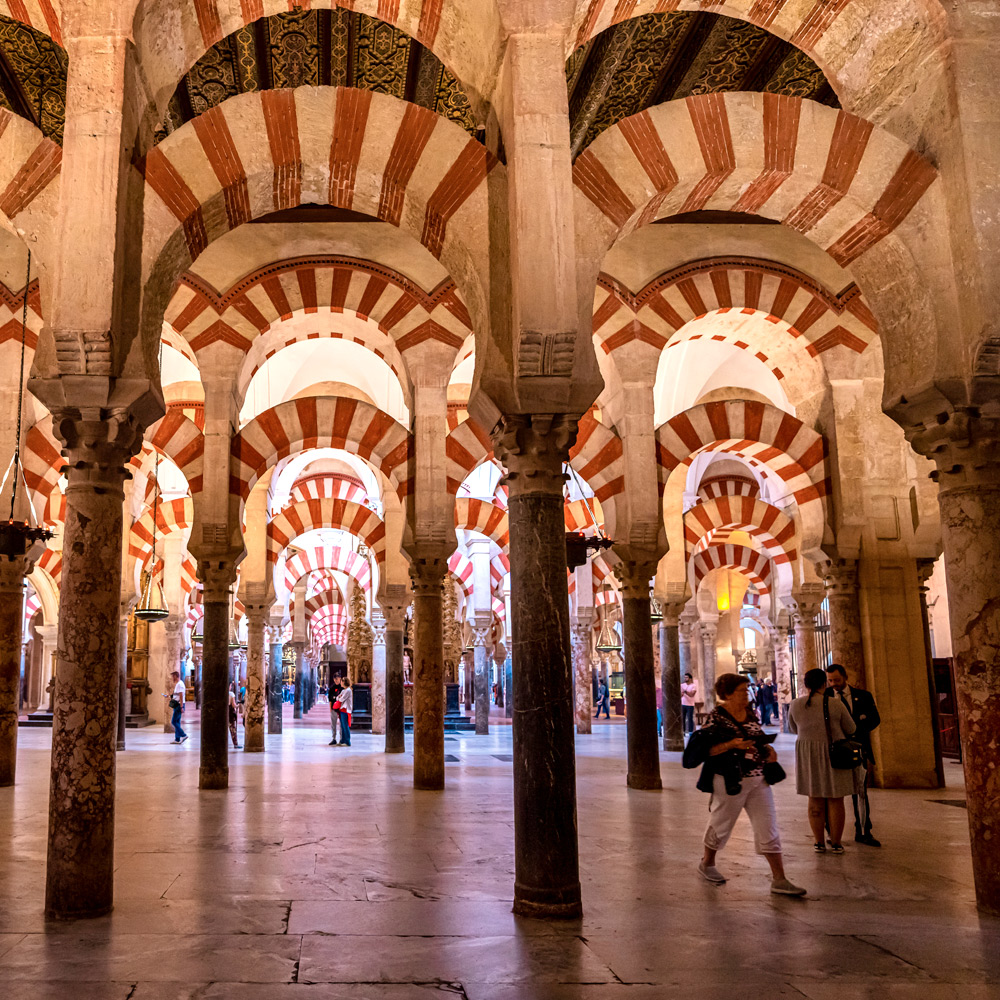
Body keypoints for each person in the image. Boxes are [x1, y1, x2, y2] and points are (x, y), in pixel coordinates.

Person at [683, 672, 805, 896]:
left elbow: (755, 738)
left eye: (746, 690)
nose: (746, 695)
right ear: (727, 694)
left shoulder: (749, 713)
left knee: (768, 825)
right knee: (722, 822)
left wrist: (768, 750)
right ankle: (707, 863)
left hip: (758, 778)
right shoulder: (717, 717)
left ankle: (779, 878)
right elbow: (706, 751)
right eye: (741, 691)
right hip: (730, 778)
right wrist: (731, 745)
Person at [788, 668, 857, 854]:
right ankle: (836, 843)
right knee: (835, 799)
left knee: (814, 798)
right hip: (833, 753)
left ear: (805, 684)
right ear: (823, 684)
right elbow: (851, 728)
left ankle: (818, 842)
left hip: (807, 755)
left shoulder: (795, 705)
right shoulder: (835, 704)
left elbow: (793, 729)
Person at [826, 663, 882, 846]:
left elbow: (874, 719)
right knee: (833, 793)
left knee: (860, 792)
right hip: (835, 752)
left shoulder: (863, 696)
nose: (834, 684)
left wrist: (856, 731)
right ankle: (832, 832)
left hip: (858, 749)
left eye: (837, 680)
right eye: (830, 680)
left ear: (845, 678)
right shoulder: (825, 697)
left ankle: (864, 830)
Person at [168, 671, 188, 745]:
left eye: (173, 676)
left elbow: (181, 695)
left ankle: (183, 735)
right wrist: (169, 696)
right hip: (178, 705)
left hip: (179, 705)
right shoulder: (178, 684)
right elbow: (176, 694)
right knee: (177, 722)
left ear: (176, 676)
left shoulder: (180, 684)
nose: (172, 678)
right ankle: (177, 739)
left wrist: (181, 706)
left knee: (173, 721)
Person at [334, 677, 353, 748]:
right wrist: (339, 698)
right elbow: (337, 697)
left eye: (342, 681)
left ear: (344, 682)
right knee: (342, 726)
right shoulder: (343, 690)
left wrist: (339, 698)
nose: (340, 682)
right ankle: (343, 740)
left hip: (346, 710)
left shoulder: (348, 690)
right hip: (342, 710)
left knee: (345, 726)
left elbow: (341, 699)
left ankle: (347, 741)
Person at [329, 675, 343, 745]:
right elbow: (330, 700)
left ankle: (341, 739)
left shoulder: (342, 688)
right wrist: (330, 709)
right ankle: (334, 738)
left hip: (341, 708)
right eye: (334, 679)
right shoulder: (332, 688)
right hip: (334, 708)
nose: (336, 680)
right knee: (333, 724)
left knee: (341, 724)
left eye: (337, 679)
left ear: (340, 679)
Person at [228, 683, 241, 749]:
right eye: (230, 685)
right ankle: (235, 744)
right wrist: (238, 705)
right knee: (232, 728)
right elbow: (233, 705)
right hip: (229, 713)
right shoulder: (231, 694)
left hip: (222, 712)